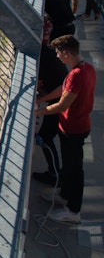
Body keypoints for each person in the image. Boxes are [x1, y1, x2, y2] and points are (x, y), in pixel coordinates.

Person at [35, 34, 95, 224]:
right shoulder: (86, 69)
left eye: (59, 53)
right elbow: (64, 90)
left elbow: (61, 105)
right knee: (70, 167)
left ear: (67, 53)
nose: (58, 57)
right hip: (76, 126)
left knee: (75, 170)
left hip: (74, 129)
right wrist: (41, 100)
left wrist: (37, 112)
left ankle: (73, 210)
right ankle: (65, 194)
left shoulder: (76, 75)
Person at [33, 44, 68, 185]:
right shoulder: (46, 53)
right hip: (59, 101)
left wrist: (41, 99)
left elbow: (58, 88)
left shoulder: (43, 59)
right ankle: (58, 172)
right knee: (50, 135)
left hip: (59, 103)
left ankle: (54, 174)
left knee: (45, 137)